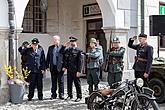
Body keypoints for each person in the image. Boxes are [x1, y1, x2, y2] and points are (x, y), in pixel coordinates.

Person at [63, 36, 82, 102]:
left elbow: (80, 62)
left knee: (77, 84)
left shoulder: (79, 51)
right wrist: (65, 46)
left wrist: (79, 71)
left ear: (75, 42)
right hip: (69, 69)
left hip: (76, 70)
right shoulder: (68, 50)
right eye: (71, 42)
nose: (71, 43)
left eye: (73, 41)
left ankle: (79, 96)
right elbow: (61, 53)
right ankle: (69, 95)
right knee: (69, 83)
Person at [46, 35, 65, 100]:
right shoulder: (50, 48)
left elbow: (65, 58)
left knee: (61, 82)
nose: (54, 41)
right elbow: (48, 57)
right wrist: (47, 66)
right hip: (53, 67)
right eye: (53, 40)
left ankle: (61, 94)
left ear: (58, 40)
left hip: (60, 67)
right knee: (53, 82)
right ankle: (53, 95)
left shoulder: (62, 47)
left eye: (55, 40)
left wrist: (64, 66)